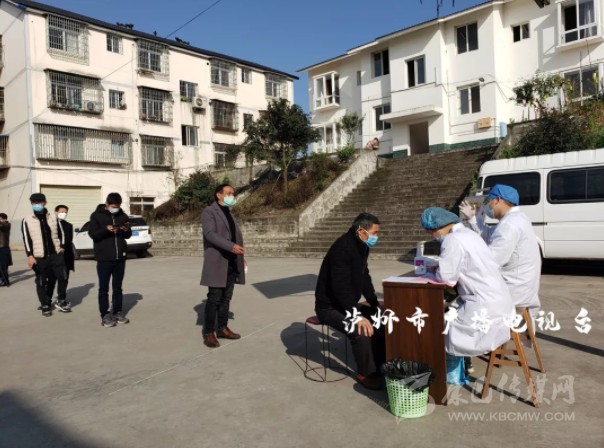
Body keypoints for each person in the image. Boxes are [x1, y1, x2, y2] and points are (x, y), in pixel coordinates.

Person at [420, 207, 514, 367]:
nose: (433, 236)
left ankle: (450, 372)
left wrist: (437, 270)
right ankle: (462, 367)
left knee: (442, 328)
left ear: (438, 227)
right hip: (501, 300)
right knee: (450, 311)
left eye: (431, 232)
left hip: (485, 306)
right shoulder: (470, 234)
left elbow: (446, 278)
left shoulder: (452, 240)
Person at [315, 213, 385, 390]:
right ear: (361, 231)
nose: (376, 237)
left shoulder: (362, 246)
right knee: (360, 331)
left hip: (345, 305)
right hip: (329, 307)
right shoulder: (342, 248)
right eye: (374, 233)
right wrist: (357, 316)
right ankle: (366, 373)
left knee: (380, 319)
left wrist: (374, 303)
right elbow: (340, 288)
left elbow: (364, 276)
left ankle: (381, 364)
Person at [460, 184, 541, 312]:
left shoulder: (509, 224)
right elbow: (489, 235)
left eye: (489, 201)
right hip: (524, 285)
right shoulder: (518, 218)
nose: (487, 206)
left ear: (498, 200)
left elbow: (492, 261)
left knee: (469, 306)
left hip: (514, 290)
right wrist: (473, 219)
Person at [200, 184, 245, 348]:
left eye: (233, 193)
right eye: (229, 193)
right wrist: (231, 247)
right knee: (214, 298)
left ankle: (222, 328)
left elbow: (235, 237)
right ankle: (209, 332)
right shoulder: (209, 212)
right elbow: (210, 234)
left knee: (226, 298)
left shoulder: (229, 213)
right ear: (219, 195)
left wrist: (241, 257)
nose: (232, 196)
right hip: (217, 261)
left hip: (232, 261)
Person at [88, 193, 132, 328]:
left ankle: (118, 311)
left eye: (118, 206)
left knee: (118, 287)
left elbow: (128, 235)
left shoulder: (123, 216)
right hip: (104, 258)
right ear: (107, 204)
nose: (115, 209)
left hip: (120, 258)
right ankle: (105, 314)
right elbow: (93, 234)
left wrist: (125, 229)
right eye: (113, 206)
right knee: (104, 288)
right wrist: (106, 229)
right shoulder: (96, 216)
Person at [21, 193, 67, 316]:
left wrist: (62, 247)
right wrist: (30, 255)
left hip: (55, 254)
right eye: (34, 203)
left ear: (45, 203)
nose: (36, 205)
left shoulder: (53, 216)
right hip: (39, 257)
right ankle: (45, 304)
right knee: (41, 281)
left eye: (39, 202)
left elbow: (61, 233)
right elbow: (26, 239)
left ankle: (61, 299)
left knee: (63, 276)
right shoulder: (27, 219)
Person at [46, 205, 75, 311]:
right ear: (56, 212)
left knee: (63, 278)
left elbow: (68, 241)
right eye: (61, 211)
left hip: (65, 257)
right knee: (51, 280)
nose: (64, 214)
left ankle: (61, 299)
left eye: (65, 212)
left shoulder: (68, 225)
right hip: (52, 257)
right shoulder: (49, 224)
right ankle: (47, 301)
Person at [0, 213, 12, 287]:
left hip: (3, 247)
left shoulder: (7, 225)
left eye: (0, 219)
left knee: (3, 266)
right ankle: (2, 280)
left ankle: (5, 281)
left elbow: (1, 225)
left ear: (5, 219)